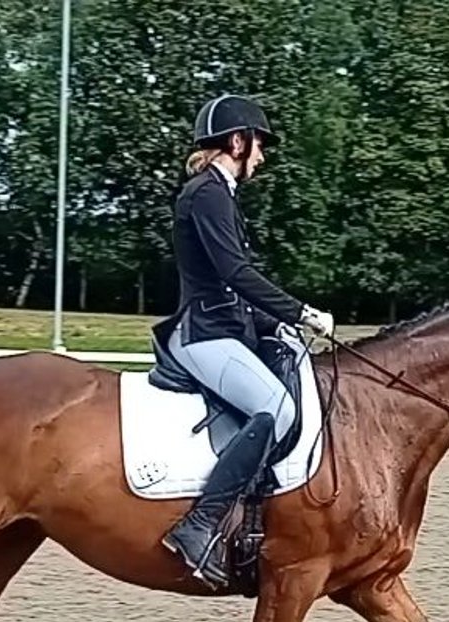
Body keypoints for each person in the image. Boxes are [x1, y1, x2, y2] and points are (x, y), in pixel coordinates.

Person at [154, 93, 335, 589]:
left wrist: (273, 324)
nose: (262, 154)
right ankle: (198, 526)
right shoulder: (207, 193)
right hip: (204, 335)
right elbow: (234, 272)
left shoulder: (219, 193)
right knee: (278, 410)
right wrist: (299, 312)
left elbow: (230, 281)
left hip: (224, 327)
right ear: (237, 141)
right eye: (259, 144)